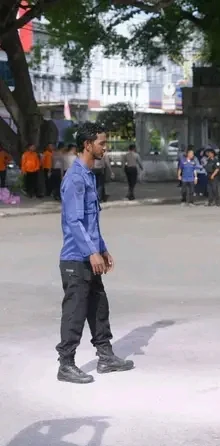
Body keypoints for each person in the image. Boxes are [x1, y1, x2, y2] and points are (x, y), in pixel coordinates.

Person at [56, 122, 134, 384]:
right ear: (87, 145)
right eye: (102, 143)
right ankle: (65, 363)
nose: (105, 147)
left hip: (90, 254)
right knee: (75, 310)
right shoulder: (75, 178)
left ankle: (105, 356)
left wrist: (102, 248)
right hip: (75, 259)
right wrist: (91, 252)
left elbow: (91, 221)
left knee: (99, 306)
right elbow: (75, 222)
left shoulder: (88, 174)